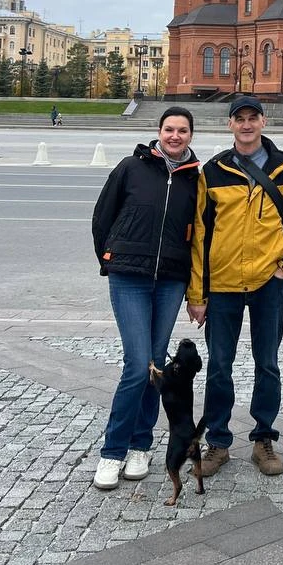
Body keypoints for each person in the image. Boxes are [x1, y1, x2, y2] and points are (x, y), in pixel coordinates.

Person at [186, 96, 283, 478]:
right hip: (224, 283)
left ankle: (263, 439)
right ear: (230, 125)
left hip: (266, 283)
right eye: (239, 119)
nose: (246, 125)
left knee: (267, 364)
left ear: (263, 121)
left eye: (252, 118)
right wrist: (198, 294)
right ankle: (218, 443)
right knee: (219, 366)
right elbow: (199, 236)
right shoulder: (213, 171)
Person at [90, 106, 201, 490]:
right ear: (158, 132)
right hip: (129, 278)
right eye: (169, 129)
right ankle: (112, 451)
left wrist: (195, 291)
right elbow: (103, 215)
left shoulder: (194, 179)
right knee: (137, 366)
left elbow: (200, 235)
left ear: (190, 135)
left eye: (182, 131)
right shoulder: (131, 166)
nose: (175, 136)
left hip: (170, 280)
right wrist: (110, 256)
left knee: (155, 366)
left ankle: (141, 445)